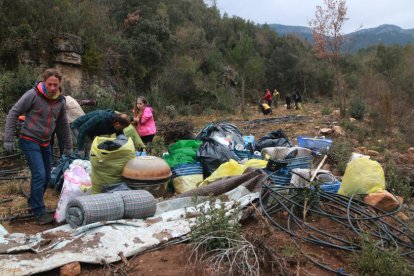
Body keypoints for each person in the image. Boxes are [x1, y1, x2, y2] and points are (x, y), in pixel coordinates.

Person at [3, 68, 73, 224]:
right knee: (39, 175)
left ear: (59, 83)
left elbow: (63, 124)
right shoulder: (32, 95)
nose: (53, 88)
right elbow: (14, 112)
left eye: (56, 84)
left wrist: (68, 146)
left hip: (45, 142)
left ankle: (34, 204)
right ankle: (38, 210)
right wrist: (8, 139)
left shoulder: (60, 101)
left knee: (47, 176)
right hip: (29, 139)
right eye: (50, 84)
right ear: (44, 82)